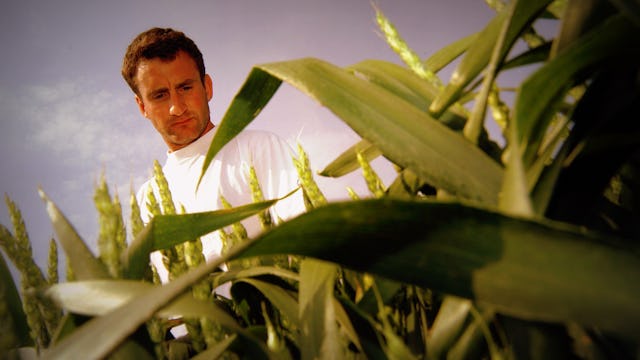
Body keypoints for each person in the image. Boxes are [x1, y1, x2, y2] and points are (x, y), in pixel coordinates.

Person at [121, 27, 304, 284]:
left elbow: (305, 240)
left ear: (207, 87)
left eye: (185, 87)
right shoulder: (147, 199)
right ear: (142, 106)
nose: (177, 107)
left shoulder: (257, 148)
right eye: (160, 95)